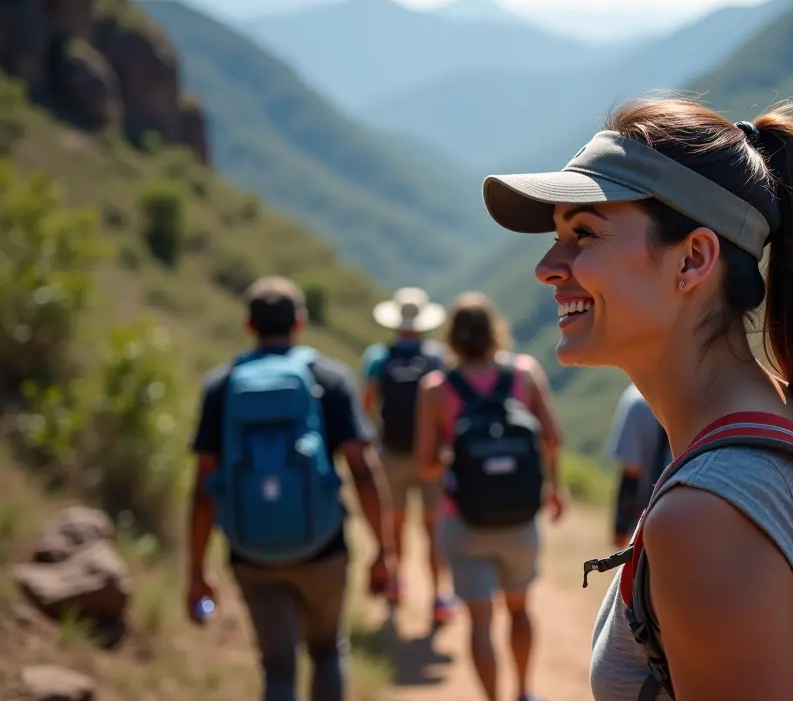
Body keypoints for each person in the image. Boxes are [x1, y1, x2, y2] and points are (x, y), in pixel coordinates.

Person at [480, 99, 793, 699]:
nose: (548, 267)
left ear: (693, 259)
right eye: (558, 236)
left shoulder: (708, 517)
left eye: (583, 233)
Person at [186, 275, 397, 701]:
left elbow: (204, 488)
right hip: (323, 548)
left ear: (249, 325)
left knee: (278, 669)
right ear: (299, 321)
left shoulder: (221, 386)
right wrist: (384, 551)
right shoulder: (329, 378)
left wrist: (196, 571)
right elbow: (364, 472)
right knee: (327, 651)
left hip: (249, 552)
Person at [415, 291, 566, 701]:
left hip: (465, 520)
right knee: (519, 609)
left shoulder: (436, 388)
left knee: (480, 623)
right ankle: (524, 691)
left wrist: (459, 458)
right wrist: (555, 488)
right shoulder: (524, 373)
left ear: (451, 337)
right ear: (495, 330)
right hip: (520, 518)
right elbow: (552, 438)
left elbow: (425, 465)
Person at [360, 286, 455, 624]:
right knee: (433, 529)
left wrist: (373, 444)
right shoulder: (437, 358)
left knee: (395, 525)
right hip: (431, 459)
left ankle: (396, 584)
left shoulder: (377, 357)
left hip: (391, 455)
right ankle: (439, 597)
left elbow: (366, 405)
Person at [607, 383, 670, 549]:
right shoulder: (702, 394)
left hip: (647, 519)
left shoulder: (636, 400)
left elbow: (631, 471)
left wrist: (620, 526)